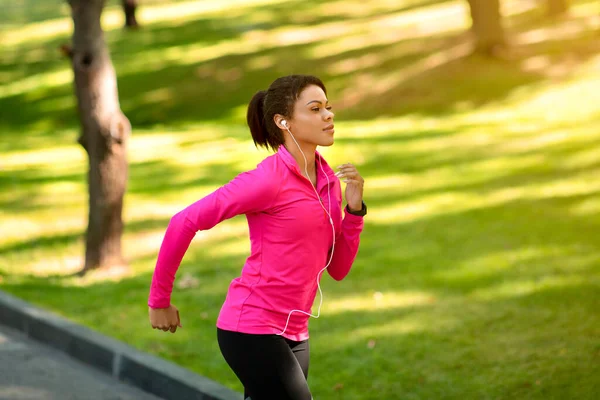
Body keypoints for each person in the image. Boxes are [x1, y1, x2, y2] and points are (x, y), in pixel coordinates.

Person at [148, 74, 367, 400]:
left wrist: (354, 211)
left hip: (296, 332)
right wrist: (159, 302)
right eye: (315, 108)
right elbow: (185, 221)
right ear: (283, 121)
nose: (329, 115)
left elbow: (337, 269)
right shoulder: (267, 180)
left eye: (328, 107)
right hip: (252, 329)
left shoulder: (328, 182)